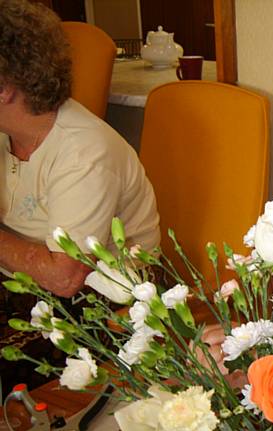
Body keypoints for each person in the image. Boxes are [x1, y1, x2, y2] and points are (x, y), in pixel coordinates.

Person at [0, 0, 160, 298]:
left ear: (4, 88)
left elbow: (65, 278)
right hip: (23, 285)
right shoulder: (8, 133)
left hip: (101, 303)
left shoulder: (84, 153)